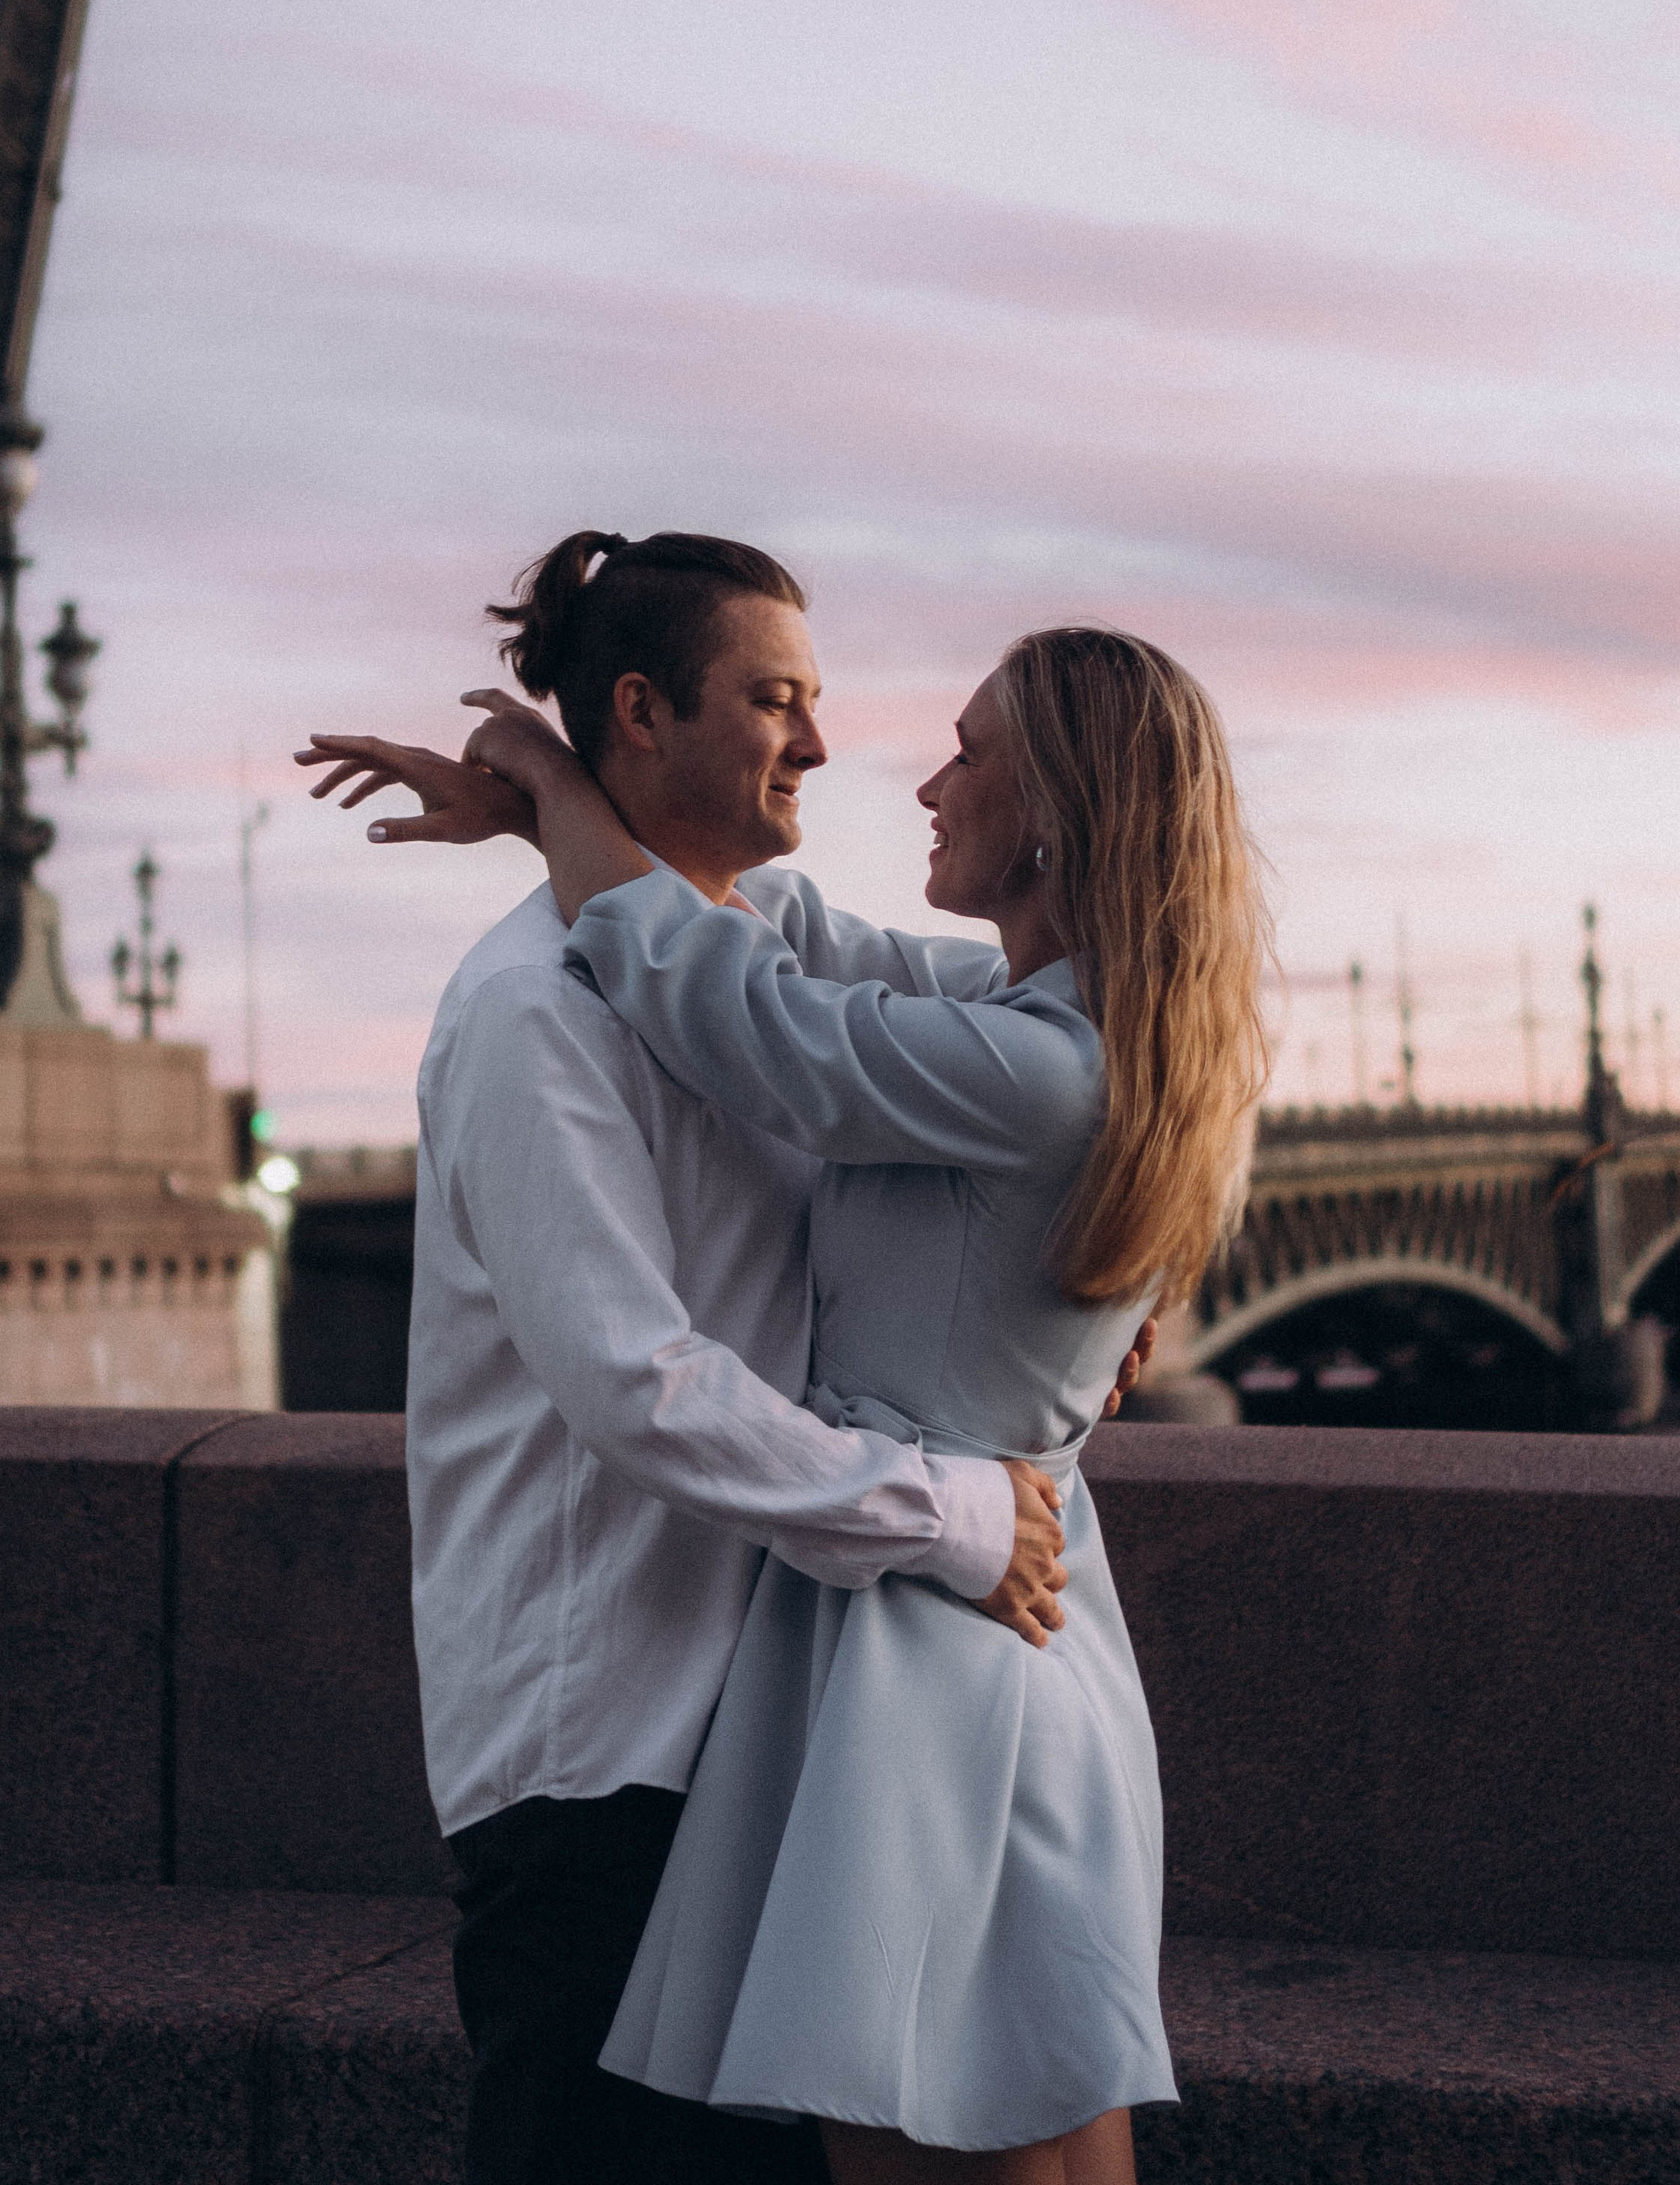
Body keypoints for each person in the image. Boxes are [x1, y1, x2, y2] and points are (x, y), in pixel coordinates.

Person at [299, 532, 1153, 2185]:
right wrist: (952, 1520)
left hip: (769, 1710)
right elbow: (632, 1379)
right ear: (641, 710)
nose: (824, 746)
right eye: (774, 700)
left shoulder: (764, 927)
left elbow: (1066, 1052)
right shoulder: (531, 1011)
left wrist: (1120, 1257)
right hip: (602, 1745)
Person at [457, 614, 1272, 2185]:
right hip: (1010, 1631)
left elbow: (738, 1011)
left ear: (1053, 812)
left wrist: (554, 783)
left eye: (969, 753)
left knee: (922, 2134)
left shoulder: (1033, 1070)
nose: (925, 780)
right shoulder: (1084, 1034)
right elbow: (806, 942)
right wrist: (595, 815)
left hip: (923, 1654)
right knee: (1041, 2125)